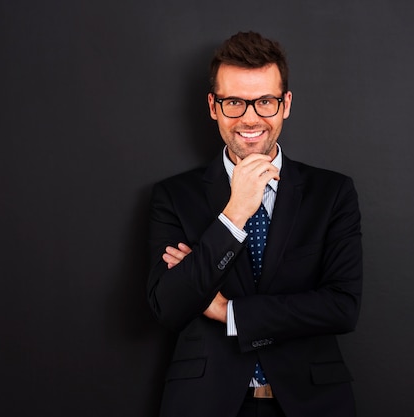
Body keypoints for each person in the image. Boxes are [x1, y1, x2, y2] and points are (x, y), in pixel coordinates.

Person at [147, 31, 363, 417]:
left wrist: (228, 312)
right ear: (213, 106)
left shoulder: (332, 193)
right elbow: (170, 307)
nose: (250, 118)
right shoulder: (173, 197)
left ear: (286, 105)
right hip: (206, 403)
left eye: (265, 101)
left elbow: (342, 307)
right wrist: (234, 214)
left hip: (312, 402)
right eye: (234, 102)